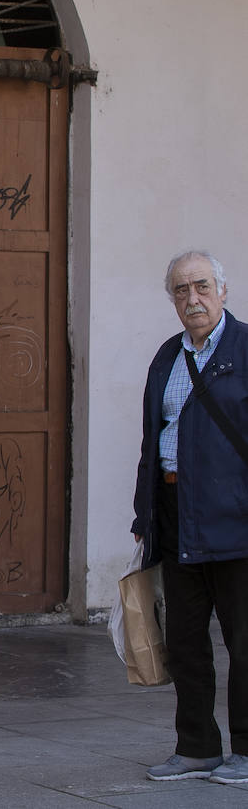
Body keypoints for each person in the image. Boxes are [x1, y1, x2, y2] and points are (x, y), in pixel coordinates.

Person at [132, 251, 248, 785]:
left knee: (244, 639)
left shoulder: (246, 349)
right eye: (181, 290)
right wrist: (145, 514)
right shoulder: (166, 357)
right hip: (176, 514)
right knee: (183, 639)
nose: (192, 298)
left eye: (201, 286)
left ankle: (246, 751)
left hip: (236, 516)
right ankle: (197, 746)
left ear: (223, 291)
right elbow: (152, 442)